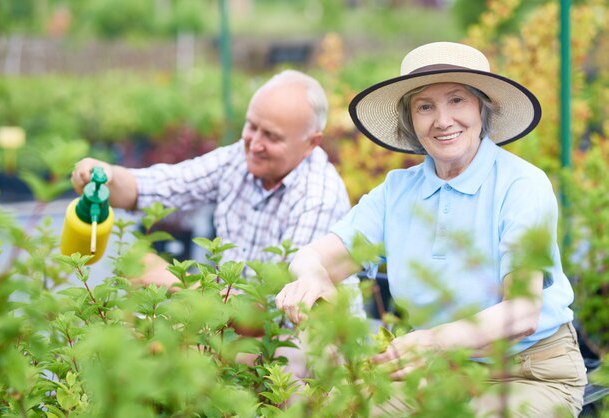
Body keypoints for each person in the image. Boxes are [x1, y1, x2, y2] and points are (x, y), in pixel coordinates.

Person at [275, 42, 587, 417]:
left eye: (456, 100)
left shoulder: (521, 185)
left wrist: (430, 342)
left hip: (528, 373)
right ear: (411, 120)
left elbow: (522, 312)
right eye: (425, 106)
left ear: (481, 109)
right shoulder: (397, 192)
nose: (442, 120)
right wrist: (308, 277)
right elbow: (315, 258)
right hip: (434, 373)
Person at [71, 69, 364, 383]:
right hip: (237, 324)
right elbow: (154, 186)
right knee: (138, 339)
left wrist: (178, 283)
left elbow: (271, 311)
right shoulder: (239, 158)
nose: (255, 143)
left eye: (272, 136)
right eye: (252, 126)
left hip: (308, 344)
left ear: (311, 144)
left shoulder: (317, 195)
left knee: (183, 359)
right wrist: (106, 175)